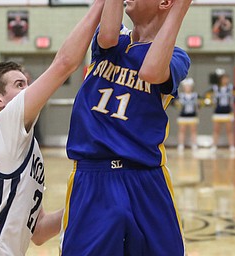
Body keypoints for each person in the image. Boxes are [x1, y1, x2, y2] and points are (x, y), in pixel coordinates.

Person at [0, 0, 105, 255]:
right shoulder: (5, 125)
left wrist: (84, 202)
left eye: (27, 83)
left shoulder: (25, 145)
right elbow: (64, 64)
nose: (28, 90)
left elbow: (38, 232)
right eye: (19, 84)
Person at [61, 0, 191, 255]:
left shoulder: (176, 57)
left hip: (146, 176)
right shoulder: (113, 40)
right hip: (93, 173)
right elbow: (107, 34)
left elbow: (151, 72)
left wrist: (181, 6)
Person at [205, 71, 235, 152]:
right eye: (223, 78)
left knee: (229, 130)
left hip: (228, 112)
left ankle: (231, 146)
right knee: (216, 130)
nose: (225, 80)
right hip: (218, 112)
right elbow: (207, 95)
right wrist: (210, 101)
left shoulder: (231, 88)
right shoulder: (215, 88)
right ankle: (214, 145)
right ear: (220, 79)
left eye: (227, 78)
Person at [174, 77, 201, 152]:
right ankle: (181, 144)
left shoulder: (195, 96)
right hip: (183, 116)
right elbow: (176, 105)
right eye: (186, 86)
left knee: (193, 130)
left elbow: (199, 106)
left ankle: (194, 144)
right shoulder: (180, 96)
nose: (187, 88)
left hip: (192, 116)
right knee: (181, 130)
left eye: (189, 86)